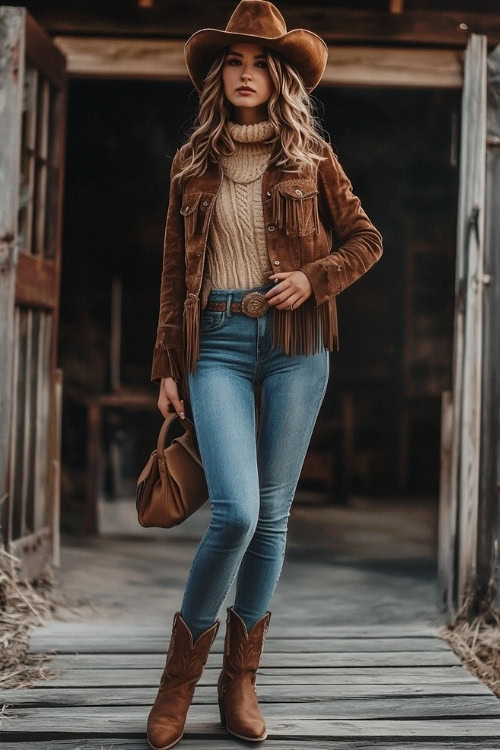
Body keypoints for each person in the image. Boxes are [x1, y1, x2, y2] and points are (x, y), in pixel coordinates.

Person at [146, 2, 383, 748]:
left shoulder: (313, 158)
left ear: (279, 77)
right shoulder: (190, 165)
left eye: (260, 63)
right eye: (235, 63)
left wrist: (316, 279)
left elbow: (367, 240)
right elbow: (171, 274)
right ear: (220, 77)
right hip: (213, 340)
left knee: (274, 516)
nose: (247, 74)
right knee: (236, 513)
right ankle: (177, 681)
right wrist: (166, 364)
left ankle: (239, 681)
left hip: (297, 342)